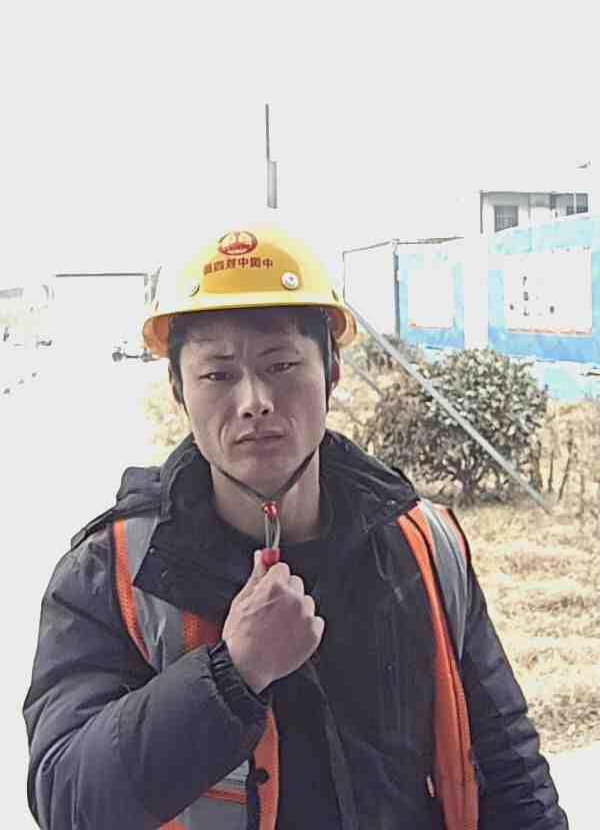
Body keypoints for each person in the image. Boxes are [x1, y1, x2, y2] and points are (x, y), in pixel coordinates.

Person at [23, 224, 568, 829]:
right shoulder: (115, 572)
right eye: (218, 375)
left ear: (331, 372)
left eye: (281, 364)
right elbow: (67, 798)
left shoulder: (422, 542)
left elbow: (508, 766)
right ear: (178, 390)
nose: (254, 401)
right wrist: (232, 673)